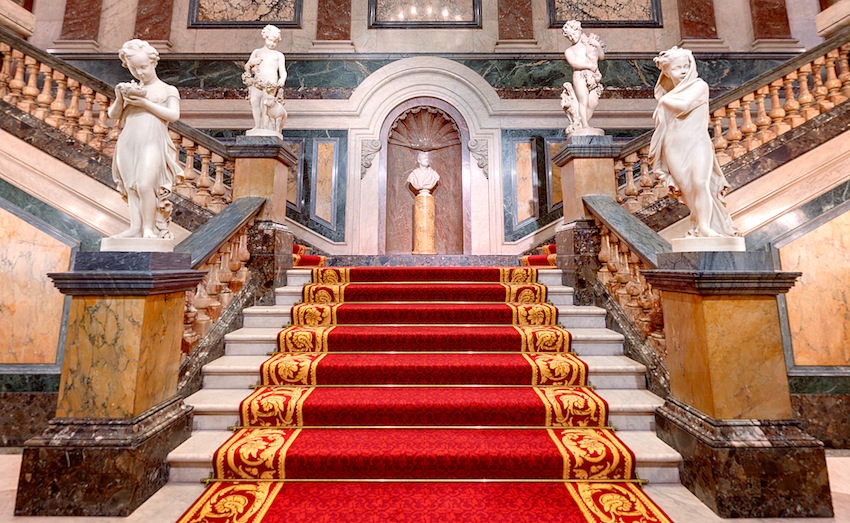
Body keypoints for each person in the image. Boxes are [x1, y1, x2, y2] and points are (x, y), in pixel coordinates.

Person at [649, 46, 738, 237]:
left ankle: (706, 227)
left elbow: (686, 105)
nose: (682, 71)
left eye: (685, 66)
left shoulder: (699, 86)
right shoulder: (668, 95)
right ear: (666, 71)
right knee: (687, 190)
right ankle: (699, 223)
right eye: (676, 68)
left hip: (698, 143)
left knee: (700, 182)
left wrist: (664, 101)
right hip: (674, 146)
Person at [107, 39, 180, 239]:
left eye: (143, 67)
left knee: (145, 184)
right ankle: (135, 227)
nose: (139, 73)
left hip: (152, 141)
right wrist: (119, 97)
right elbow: (113, 115)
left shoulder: (167, 90)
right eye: (133, 68)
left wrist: (145, 102)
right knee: (131, 186)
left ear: (153, 62)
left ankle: (149, 228)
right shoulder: (129, 89)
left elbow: (173, 115)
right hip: (128, 141)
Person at [562, 20, 605, 134]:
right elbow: (574, 63)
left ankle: (580, 123)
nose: (572, 38)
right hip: (579, 75)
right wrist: (589, 65)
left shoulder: (589, 45)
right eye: (569, 37)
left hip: (593, 76)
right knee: (583, 100)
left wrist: (597, 46)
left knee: (594, 102)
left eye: (574, 34)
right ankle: (585, 125)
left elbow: (601, 57)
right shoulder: (569, 51)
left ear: (579, 31)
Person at [243, 25, 287, 135]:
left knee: (266, 106)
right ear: (265, 37)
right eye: (270, 40)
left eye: (275, 42)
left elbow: (283, 71)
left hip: (270, 85)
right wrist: (252, 63)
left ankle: (266, 128)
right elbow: (247, 66)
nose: (272, 43)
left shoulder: (278, 55)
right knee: (254, 102)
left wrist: (282, 79)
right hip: (257, 82)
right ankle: (258, 126)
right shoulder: (257, 52)